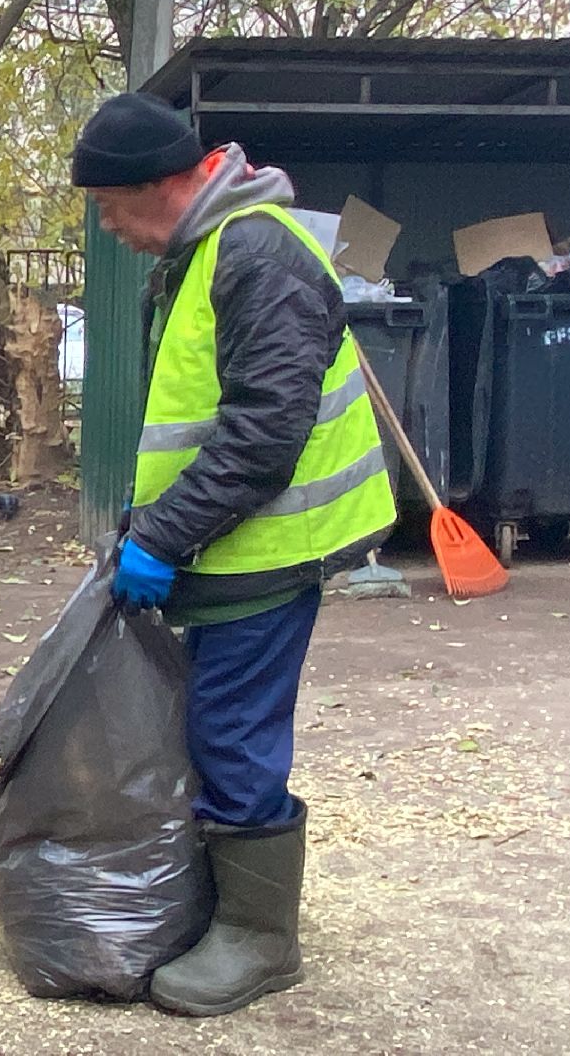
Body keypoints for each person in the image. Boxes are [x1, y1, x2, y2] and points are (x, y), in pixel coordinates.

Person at [69, 93, 397, 1016]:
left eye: (110, 207)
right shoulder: (205, 250)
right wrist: (144, 525)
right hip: (229, 540)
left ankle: (260, 940)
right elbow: (195, 410)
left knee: (231, 727)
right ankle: (223, 908)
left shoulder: (257, 251)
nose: (109, 227)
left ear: (162, 184)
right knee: (207, 721)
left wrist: (163, 535)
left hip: (271, 545)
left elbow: (264, 432)